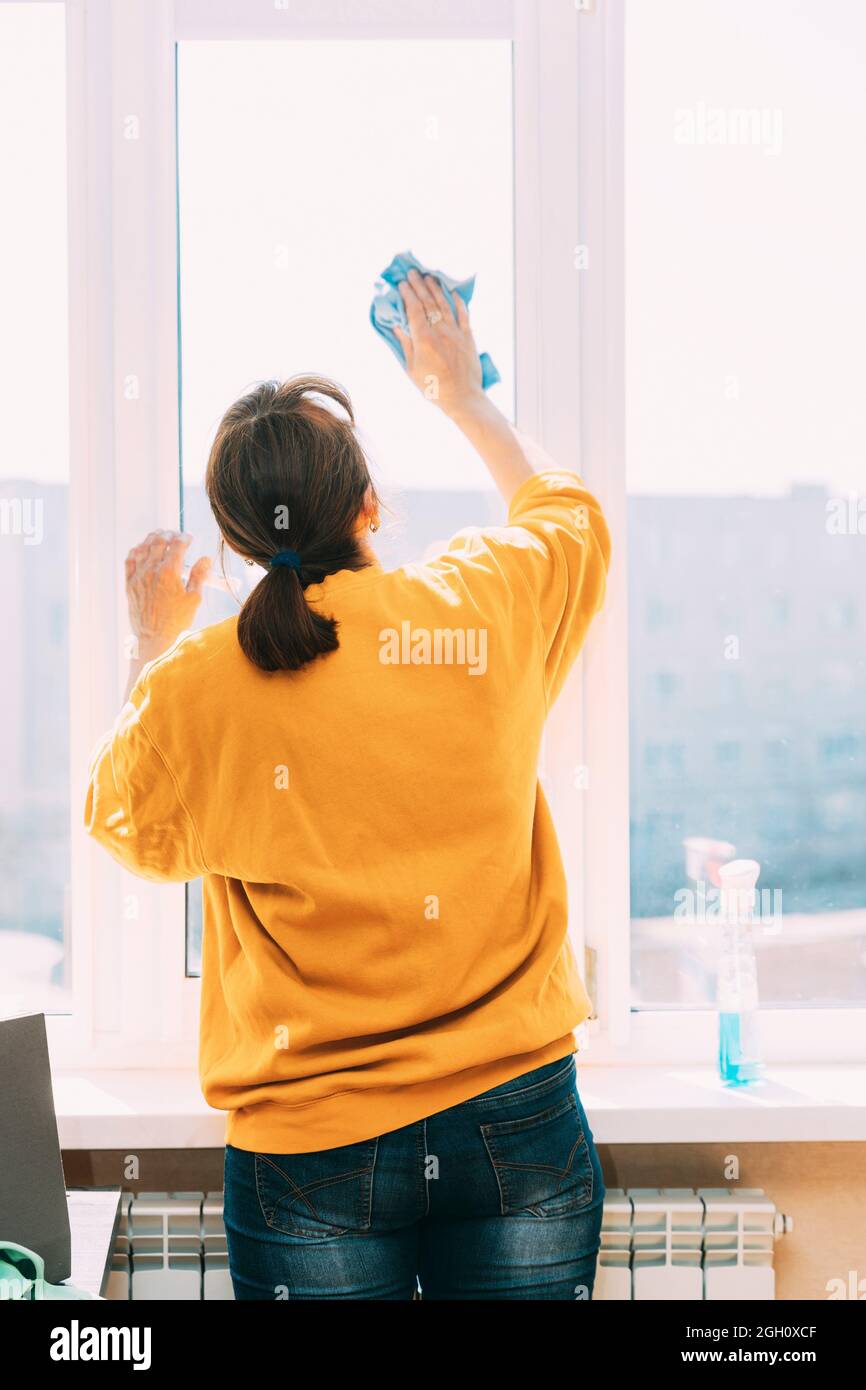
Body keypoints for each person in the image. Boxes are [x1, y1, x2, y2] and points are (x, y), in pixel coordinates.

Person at [86, 268, 612, 1300]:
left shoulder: (202, 682)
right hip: (515, 1112)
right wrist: (453, 390)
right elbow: (569, 515)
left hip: (308, 1144)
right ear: (370, 502)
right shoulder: (477, 609)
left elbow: (126, 825)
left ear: (237, 540)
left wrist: (151, 639)